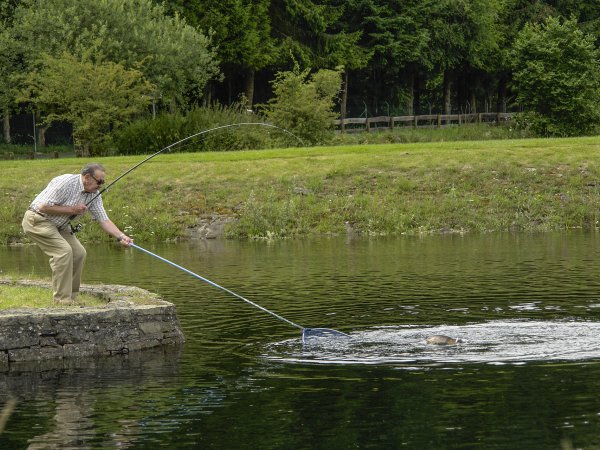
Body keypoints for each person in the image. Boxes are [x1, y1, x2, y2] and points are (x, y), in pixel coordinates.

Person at [22, 163, 133, 304]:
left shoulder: (94, 193)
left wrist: (121, 237)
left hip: (60, 225)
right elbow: (42, 206)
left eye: (103, 182)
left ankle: (72, 297)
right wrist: (72, 210)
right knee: (63, 252)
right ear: (87, 177)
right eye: (99, 181)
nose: (101, 185)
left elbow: (104, 219)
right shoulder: (66, 182)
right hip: (37, 219)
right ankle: (62, 300)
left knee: (79, 253)